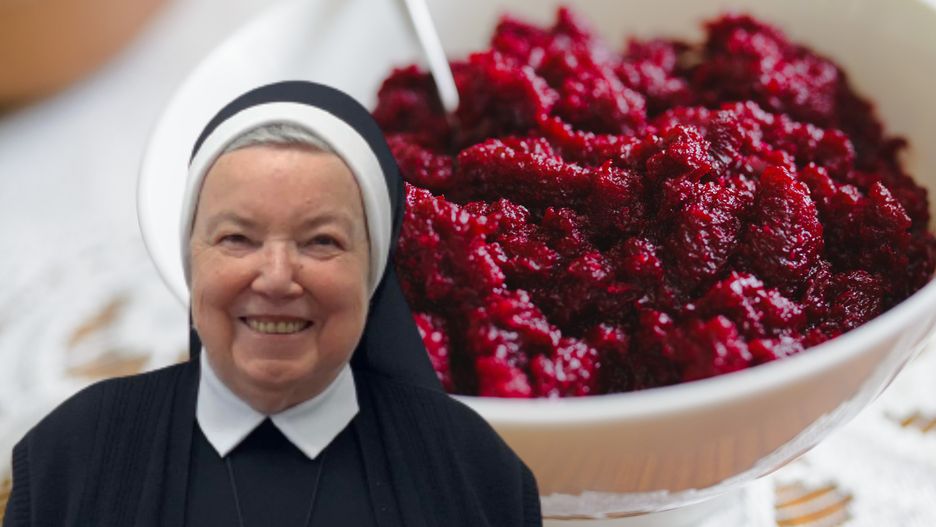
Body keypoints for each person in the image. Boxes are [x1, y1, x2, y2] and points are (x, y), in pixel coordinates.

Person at [3, 81, 542, 526]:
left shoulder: (475, 473)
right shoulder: (72, 456)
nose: (278, 278)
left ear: (373, 271)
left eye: (321, 241)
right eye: (237, 238)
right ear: (192, 258)